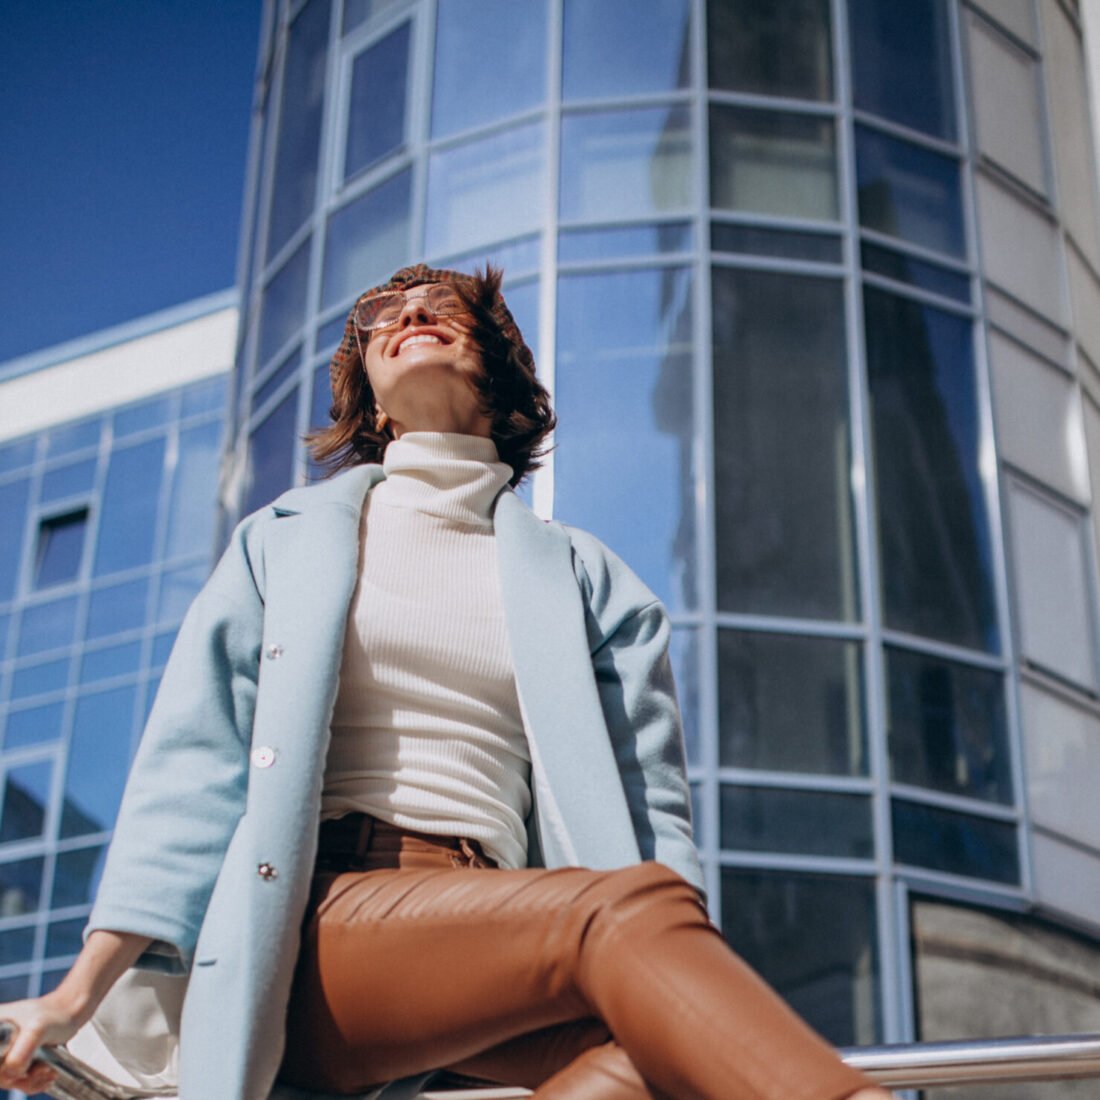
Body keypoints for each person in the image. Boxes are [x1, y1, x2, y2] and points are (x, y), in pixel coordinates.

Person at [0, 264, 892, 1100]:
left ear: (499, 381)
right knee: (618, 918)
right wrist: (76, 997)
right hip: (314, 923)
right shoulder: (283, 542)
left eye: (444, 309)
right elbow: (191, 775)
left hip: (493, 932)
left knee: (652, 1065)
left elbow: (654, 815)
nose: (411, 316)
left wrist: (680, 974)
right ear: (374, 409)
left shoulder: (592, 580)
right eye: (384, 316)